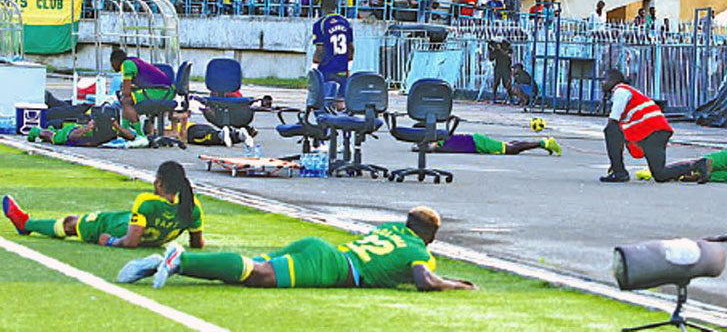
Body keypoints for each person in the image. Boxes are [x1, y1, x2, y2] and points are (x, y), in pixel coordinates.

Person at [117, 206, 477, 291]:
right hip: (334, 268)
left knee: (253, 266)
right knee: (258, 276)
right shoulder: (420, 252)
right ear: (430, 237)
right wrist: (456, 285)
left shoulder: (391, 229)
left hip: (323, 249)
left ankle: (165, 262)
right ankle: (180, 261)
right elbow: (424, 281)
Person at [3, 161, 204, 249]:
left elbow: (130, 242)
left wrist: (110, 241)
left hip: (119, 227)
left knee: (72, 224)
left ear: (158, 183)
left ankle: (26, 224)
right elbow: (197, 243)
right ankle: (26, 224)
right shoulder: (193, 207)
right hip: (139, 228)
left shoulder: (147, 202)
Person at [600, 69, 675, 183]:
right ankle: (697, 166)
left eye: (605, 79)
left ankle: (619, 172)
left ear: (614, 81)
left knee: (610, 131)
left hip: (653, 131)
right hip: (657, 131)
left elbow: (614, 120)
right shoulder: (628, 91)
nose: (602, 83)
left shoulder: (620, 91)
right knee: (660, 174)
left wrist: (615, 160)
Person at [110, 49, 174, 137]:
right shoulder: (133, 61)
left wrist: (125, 89)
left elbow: (126, 92)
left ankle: (140, 135)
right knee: (126, 100)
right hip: (163, 90)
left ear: (115, 61)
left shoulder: (126, 65)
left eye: (112, 63)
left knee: (126, 100)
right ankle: (124, 131)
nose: (112, 66)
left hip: (162, 91)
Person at [312, 0, 354, 105]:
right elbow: (351, 48)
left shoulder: (320, 24)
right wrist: (348, 66)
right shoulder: (346, 23)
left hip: (327, 68)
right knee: (341, 103)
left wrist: (314, 67)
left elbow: (320, 50)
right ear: (336, 6)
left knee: (324, 102)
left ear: (322, 6)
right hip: (342, 68)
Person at [430, 133, 561, 156]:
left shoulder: (439, 144)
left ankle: (544, 143)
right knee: (508, 146)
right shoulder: (442, 140)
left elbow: (431, 147)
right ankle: (542, 143)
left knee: (511, 149)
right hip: (477, 141)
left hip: (479, 144)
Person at [488, 37, 513, 103]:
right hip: (498, 68)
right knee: (496, 83)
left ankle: (511, 98)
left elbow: (509, 55)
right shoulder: (497, 51)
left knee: (507, 84)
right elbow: (491, 58)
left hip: (506, 69)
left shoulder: (507, 51)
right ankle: (494, 98)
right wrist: (491, 50)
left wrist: (500, 50)